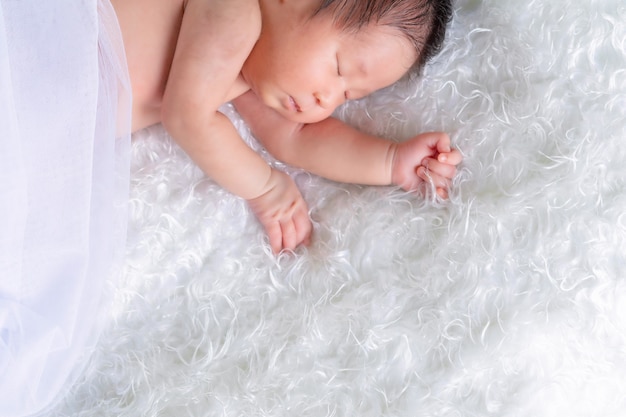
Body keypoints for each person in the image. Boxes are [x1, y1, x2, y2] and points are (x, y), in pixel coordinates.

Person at [112, 0, 463, 254]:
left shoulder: (252, 71)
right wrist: (266, 188)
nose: (329, 100)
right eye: (340, 70)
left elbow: (297, 138)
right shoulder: (233, 12)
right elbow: (187, 117)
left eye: (348, 95)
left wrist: (392, 162)